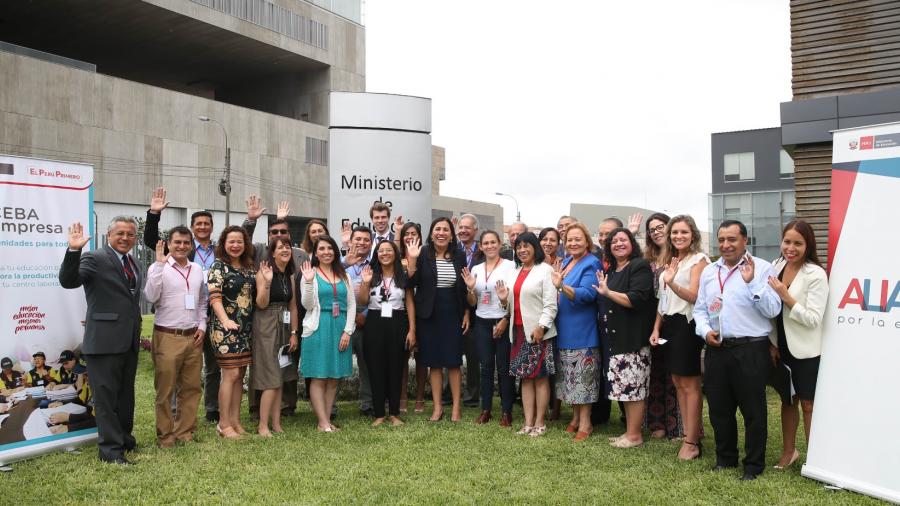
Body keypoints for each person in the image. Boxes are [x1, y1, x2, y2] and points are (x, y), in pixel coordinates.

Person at [693, 220, 781, 481]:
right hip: (717, 348)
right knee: (719, 409)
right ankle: (725, 459)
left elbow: (773, 309)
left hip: (750, 349)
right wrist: (704, 331)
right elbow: (700, 309)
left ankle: (753, 465)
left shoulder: (762, 268)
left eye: (732, 239)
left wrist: (752, 283)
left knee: (753, 411)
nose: (726, 245)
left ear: (745, 241)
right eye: (721, 239)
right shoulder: (710, 271)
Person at [59, 218, 142, 464]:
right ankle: (110, 450)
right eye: (120, 233)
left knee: (125, 396)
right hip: (103, 341)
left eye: (130, 234)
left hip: (128, 341)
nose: (125, 238)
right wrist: (74, 251)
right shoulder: (94, 258)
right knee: (106, 400)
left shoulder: (135, 262)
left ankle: (124, 439)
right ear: (109, 234)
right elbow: (68, 281)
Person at [143, 187, 221, 423]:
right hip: (177, 320)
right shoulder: (177, 252)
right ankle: (174, 414)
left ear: (212, 227)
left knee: (210, 368)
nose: (203, 227)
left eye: (207, 224)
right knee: (174, 373)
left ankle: (212, 409)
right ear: (192, 227)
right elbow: (151, 239)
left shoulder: (219, 251)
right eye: (199, 224)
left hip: (212, 314)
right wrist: (154, 214)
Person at [767, 219, 828, 469]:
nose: (791, 248)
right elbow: (769, 310)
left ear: (808, 245)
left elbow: (813, 319)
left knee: (808, 403)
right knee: (788, 400)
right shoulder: (776, 266)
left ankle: (816, 458)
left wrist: (786, 296)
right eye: (787, 241)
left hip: (806, 349)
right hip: (780, 345)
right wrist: (772, 343)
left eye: (798, 243)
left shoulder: (816, 274)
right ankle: (789, 452)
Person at [649, 215, 709, 460]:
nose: (678, 236)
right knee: (678, 382)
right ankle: (687, 435)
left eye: (684, 232)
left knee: (690, 384)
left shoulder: (699, 260)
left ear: (693, 235)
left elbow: (695, 296)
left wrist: (672, 283)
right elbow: (663, 300)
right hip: (669, 325)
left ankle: (692, 442)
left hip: (688, 324)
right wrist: (656, 328)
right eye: (674, 232)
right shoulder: (671, 261)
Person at [242, 197, 308, 418]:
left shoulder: (300, 255)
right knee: (263, 364)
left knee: (287, 361)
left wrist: (294, 331)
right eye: (274, 232)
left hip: (291, 317)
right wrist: (251, 221)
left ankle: (287, 406)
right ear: (269, 235)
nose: (279, 235)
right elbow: (243, 243)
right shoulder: (260, 251)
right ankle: (256, 408)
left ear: (290, 234)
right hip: (265, 317)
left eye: (283, 232)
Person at [143, 227, 208, 448]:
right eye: (177, 242)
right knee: (166, 389)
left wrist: (202, 325)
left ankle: (185, 431)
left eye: (186, 243)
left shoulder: (197, 269)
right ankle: (165, 435)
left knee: (191, 387)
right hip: (168, 335)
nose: (181, 246)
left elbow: (202, 300)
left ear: (191, 245)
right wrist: (159, 266)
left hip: (193, 336)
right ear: (169, 244)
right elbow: (150, 296)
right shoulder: (159, 267)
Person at [406, 217, 471, 422]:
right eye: (437, 229)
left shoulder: (459, 255)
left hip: (453, 313)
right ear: (431, 233)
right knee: (433, 362)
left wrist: (467, 312)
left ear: (451, 235)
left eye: (445, 229)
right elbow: (410, 283)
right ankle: (437, 407)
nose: (441, 233)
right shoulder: (422, 253)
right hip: (428, 315)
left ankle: (456, 408)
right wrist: (413, 260)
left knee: (453, 362)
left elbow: (464, 287)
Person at [596, 227, 655, 448]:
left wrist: (608, 293)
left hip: (633, 338)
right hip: (615, 337)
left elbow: (636, 299)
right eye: (614, 241)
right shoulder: (612, 270)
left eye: (623, 239)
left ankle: (634, 435)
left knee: (634, 389)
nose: (619, 244)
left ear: (632, 243)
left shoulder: (639, 266)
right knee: (625, 389)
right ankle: (629, 432)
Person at [498, 232, 557, 436]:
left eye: (526, 245)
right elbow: (511, 306)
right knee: (525, 378)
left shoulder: (545, 270)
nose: (522, 250)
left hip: (537, 332)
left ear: (535, 247)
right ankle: (528, 422)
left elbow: (551, 305)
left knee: (540, 378)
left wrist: (542, 326)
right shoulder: (515, 272)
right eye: (518, 247)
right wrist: (504, 300)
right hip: (518, 332)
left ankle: (540, 423)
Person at [207, 225, 261, 439]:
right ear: (224, 244)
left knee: (239, 375)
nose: (236, 245)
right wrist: (225, 320)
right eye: (231, 241)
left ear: (245, 244)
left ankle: (235, 421)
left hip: (245, 328)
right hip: (224, 329)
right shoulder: (218, 266)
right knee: (230, 374)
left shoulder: (249, 268)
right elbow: (215, 298)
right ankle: (223, 424)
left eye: (240, 241)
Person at [299, 236, 356, 432]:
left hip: (340, 327)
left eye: (330, 248)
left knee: (334, 376)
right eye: (322, 249)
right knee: (319, 376)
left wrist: (348, 331)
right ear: (315, 253)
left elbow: (351, 305)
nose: (326, 252)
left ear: (335, 251)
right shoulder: (310, 273)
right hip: (318, 326)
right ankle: (322, 422)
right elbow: (307, 305)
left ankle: (327, 418)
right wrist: (308, 282)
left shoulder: (344, 276)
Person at [552, 223, 603, 441]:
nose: (573, 243)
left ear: (587, 242)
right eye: (569, 240)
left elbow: (588, 295)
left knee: (584, 378)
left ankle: (585, 423)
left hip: (582, 330)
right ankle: (574, 418)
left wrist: (561, 287)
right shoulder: (566, 262)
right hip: (564, 328)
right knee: (570, 377)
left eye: (577, 239)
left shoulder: (592, 263)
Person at [358, 240, 416, 426]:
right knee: (376, 368)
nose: (384, 253)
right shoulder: (370, 274)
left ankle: (394, 413)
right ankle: (379, 414)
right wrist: (365, 283)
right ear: (377, 254)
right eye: (381, 250)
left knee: (396, 367)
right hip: (374, 322)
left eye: (388, 250)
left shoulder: (403, 276)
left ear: (395, 253)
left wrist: (412, 330)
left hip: (397, 322)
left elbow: (409, 303)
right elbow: (363, 301)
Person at [462, 230, 516, 426]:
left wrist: (505, 318)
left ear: (500, 243)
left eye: (493, 242)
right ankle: (486, 410)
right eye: (486, 243)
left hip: (502, 320)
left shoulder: (510, 266)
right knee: (485, 367)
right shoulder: (476, 268)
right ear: (481, 246)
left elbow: (513, 296)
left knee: (504, 368)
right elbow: (472, 302)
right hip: (482, 322)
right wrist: (470, 288)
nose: (490, 246)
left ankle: (506, 411)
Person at [251, 237, 300, 437]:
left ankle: (277, 423)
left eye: (288, 247)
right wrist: (267, 282)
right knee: (271, 377)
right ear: (272, 253)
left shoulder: (289, 275)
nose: (285, 250)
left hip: (285, 325)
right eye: (280, 247)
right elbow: (261, 303)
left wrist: (294, 333)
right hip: (266, 325)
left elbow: (293, 307)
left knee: (281, 375)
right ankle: (263, 425)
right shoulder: (263, 272)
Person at [641, 213, 682, 440]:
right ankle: (657, 423)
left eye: (660, 227)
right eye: (652, 229)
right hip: (651, 322)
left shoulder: (679, 257)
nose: (656, 232)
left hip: (674, 320)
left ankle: (678, 426)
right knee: (655, 373)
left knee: (675, 374)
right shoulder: (648, 259)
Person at [343, 226, 375, 416]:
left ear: (371, 243)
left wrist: (366, 314)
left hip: (366, 319)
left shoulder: (376, 264)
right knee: (337, 361)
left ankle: (367, 404)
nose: (362, 243)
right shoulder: (339, 263)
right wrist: (344, 263)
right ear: (351, 241)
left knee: (367, 364)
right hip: (342, 318)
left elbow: (383, 292)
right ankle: (330, 407)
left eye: (366, 240)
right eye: (358, 239)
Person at [399, 222, 427, 413]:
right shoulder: (397, 257)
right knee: (402, 357)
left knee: (421, 358)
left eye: (414, 233)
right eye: (406, 233)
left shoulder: (425, 255)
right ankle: (402, 397)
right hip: (401, 312)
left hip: (423, 311)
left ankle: (419, 398)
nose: (410, 236)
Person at [457, 213, 484, 408]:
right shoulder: (452, 250)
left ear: (475, 230)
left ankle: (472, 396)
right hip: (453, 309)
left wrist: (468, 310)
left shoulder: (483, 252)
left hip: (476, 311)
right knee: (451, 354)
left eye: (467, 227)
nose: (463, 230)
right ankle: (449, 393)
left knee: (473, 356)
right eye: (461, 227)